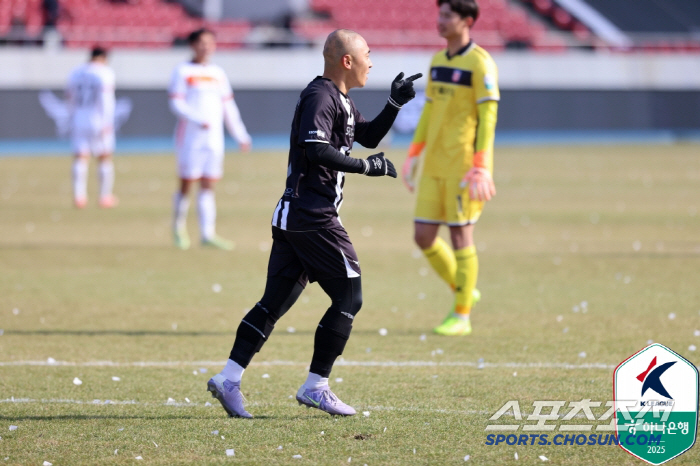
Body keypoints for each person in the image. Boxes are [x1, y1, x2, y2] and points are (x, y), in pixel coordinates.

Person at [207, 29, 421, 418]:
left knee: (273, 304)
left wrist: (394, 102)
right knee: (349, 296)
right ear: (347, 61)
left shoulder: (340, 98)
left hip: (297, 216)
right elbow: (315, 148)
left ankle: (228, 378)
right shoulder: (321, 96)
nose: (372, 62)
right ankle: (316, 386)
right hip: (312, 216)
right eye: (367, 54)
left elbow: (368, 135)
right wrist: (364, 168)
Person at [403, 0, 499, 336]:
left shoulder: (480, 63)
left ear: (467, 21)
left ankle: (461, 314)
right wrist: (414, 153)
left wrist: (482, 166)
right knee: (423, 236)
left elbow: (488, 117)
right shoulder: (437, 60)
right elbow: (429, 111)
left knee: (460, 236)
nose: (440, 21)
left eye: (448, 16)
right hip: (434, 165)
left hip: (463, 166)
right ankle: (464, 288)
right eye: (439, 14)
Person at [168, 28, 252, 250]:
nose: (206, 47)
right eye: (201, 43)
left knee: (208, 184)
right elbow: (176, 103)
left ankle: (207, 233)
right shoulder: (182, 71)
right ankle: (178, 228)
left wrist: (241, 135)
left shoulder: (218, 73)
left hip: (214, 139)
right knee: (187, 183)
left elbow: (228, 107)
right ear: (193, 45)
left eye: (210, 43)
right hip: (190, 137)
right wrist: (196, 118)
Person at [67, 46, 117, 208]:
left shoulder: (75, 72)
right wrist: (107, 121)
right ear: (104, 57)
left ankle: (79, 197)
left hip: (79, 118)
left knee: (81, 157)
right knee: (104, 157)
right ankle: (104, 197)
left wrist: (72, 116)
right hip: (98, 119)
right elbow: (106, 99)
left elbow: (70, 98)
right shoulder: (105, 72)